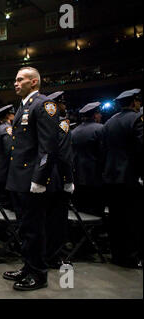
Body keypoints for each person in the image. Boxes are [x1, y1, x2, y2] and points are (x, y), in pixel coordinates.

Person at [3, 67, 60, 291]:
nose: (15, 83)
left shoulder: (44, 105)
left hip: (32, 179)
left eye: (20, 80)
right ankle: (28, 266)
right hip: (19, 178)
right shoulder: (25, 106)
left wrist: (40, 178)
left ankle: (39, 274)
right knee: (25, 228)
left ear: (34, 82)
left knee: (35, 229)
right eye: (15, 80)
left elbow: (48, 147)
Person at [102, 88, 142, 268]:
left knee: (115, 218)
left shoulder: (109, 122)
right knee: (132, 218)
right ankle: (132, 257)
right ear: (134, 102)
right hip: (129, 176)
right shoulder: (136, 119)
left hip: (111, 176)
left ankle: (116, 254)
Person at [44, 91, 74, 268]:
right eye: (62, 103)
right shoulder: (62, 125)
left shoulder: (42, 124)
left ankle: (44, 253)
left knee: (43, 220)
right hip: (56, 179)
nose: (65, 107)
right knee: (56, 221)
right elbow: (64, 155)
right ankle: (54, 257)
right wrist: (68, 179)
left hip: (40, 177)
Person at [71, 102, 105, 217]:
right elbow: (104, 153)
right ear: (95, 115)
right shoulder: (100, 129)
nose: (100, 116)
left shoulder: (73, 132)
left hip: (78, 178)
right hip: (96, 177)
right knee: (97, 212)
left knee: (82, 212)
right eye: (99, 113)